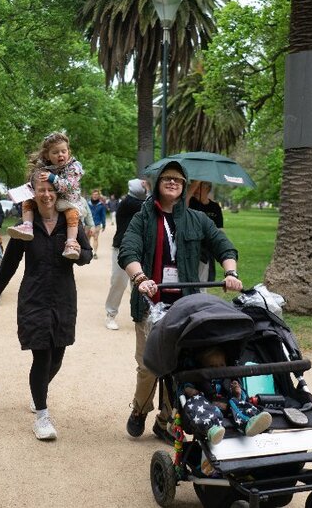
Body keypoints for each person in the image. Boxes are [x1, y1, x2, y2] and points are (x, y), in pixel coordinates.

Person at [119, 160, 243, 442]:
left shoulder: (197, 219)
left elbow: (222, 244)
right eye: (167, 179)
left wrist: (230, 271)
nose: (173, 182)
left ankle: (165, 421)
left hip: (186, 305)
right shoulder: (143, 217)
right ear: (156, 183)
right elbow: (128, 251)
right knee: (149, 366)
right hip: (150, 302)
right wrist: (140, 279)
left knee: (179, 365)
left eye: (178, 179)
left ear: (184, 185)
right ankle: (139, 410)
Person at [0, 171, 93, 441]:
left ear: (58, 193)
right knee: (41, 356)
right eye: (41, 190)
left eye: (50, 190)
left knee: (58, 356)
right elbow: (8, 264)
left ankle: (37, 391)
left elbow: (87, 255)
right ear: (34, 193)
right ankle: (42, 415)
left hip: (64, 297)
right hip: (34, 298)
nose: (46, 195)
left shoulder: (71, 223)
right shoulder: (25, 227)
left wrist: (78, 253)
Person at [7, 132, 87, 260]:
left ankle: (71, 243)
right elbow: (37, 181)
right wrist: (29, 188)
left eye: (63, 151)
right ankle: (27, 225)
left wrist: (53, 178)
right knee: (27, 201)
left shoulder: (74, 167)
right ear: (47, 155)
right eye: (55, 152)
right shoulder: (46, 167)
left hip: (68, 201)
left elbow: (70, 185)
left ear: (68, 152)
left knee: (72, 215)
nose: (60, 155)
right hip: (54, 199)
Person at [182, 346, 272, 444]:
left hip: (229, 410)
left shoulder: (228, 380)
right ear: (203, 368)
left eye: (222, 365)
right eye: (212, 367)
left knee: (237, 401)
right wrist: (190, 390)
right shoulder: (200, 380)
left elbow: (243, 398)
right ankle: (212, 429)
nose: (218, 369)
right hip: (208, 410)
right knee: (196, 400)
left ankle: (250, 421)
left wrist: (238, 393)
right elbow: (186, 386)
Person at [104, 178, 148, 331]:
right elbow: (150, 205)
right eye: (143, 185)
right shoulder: (129, 202)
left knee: (140, 283)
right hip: (121, 249)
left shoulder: (142, 202)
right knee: (119, 282)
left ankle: (141, 315)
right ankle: (110, 315)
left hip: (140, 250)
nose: (146, 187)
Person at [187, 181, 224, 282]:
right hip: (191, 247)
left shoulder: (215, 207)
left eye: (199, 187)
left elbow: (219, 230)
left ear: (208, 188)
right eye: (194, 186)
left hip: (206, 250)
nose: (195, 189)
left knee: (202, 282)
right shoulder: (190, 202)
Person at [87, 189, 107, 259]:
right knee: (87, 239)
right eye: (94, 194)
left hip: (97, 224)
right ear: (91, 195)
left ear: (98, 196)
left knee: (95, 238)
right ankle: (89, 252)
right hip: (88, 224)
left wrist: (104, 225)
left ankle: (95, 253)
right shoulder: (87, 204)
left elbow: (103, 215)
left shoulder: (101, 205)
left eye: (96, 195)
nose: (95, 196)